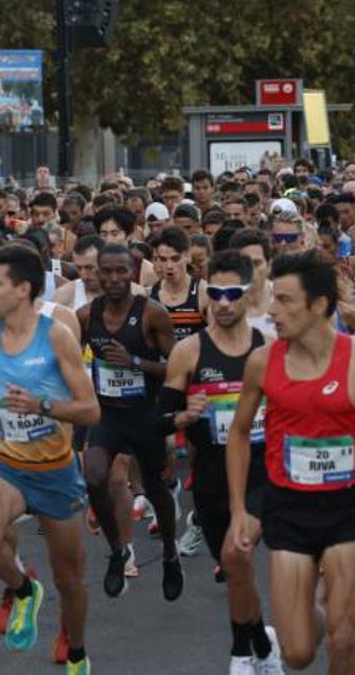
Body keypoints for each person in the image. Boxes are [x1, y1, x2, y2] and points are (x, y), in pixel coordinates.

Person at [0, 242, 99, 674]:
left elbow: (90, 409)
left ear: (23, 289)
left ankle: (76, 651)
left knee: (70, 579)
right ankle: (23, 589)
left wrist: (41, 407)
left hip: (55, 470)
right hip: (4, 465)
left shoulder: (56, 335)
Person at [229, 250, 354, 672]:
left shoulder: (353, 360)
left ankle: (339, 615)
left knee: (345, 641)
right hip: (289, 508)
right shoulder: (263, 362)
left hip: (347, 508)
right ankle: (325, 608)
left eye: (284, 301)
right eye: (271, 299)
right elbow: (240, 433)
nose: (271, 312)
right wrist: (239, 511)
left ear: (319, 305)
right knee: (298, 653)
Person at [160, 251, 281, 673]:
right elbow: (158, 420)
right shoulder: (188, 352)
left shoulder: (268, 347)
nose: (225, 303)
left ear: (249, 296)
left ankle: (241, 653)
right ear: (207, 294)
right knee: (234, 567)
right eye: (217, 293)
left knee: (238, 554)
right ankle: (264, 643)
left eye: (234, 294)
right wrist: (182, 416)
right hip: (210, 476)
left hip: (264, 471)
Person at [77, 244, 182, 601]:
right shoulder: (85, 315)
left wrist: (134, 362)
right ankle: (118, 550)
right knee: (93, 475)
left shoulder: (152, 313)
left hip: (145, 416)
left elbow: (177, 367)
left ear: (133, 271)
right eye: (105, 271)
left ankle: (170, 552)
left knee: (156, 492)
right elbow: (69, 362)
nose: (113, 279)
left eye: (121, 271)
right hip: (107, 415)